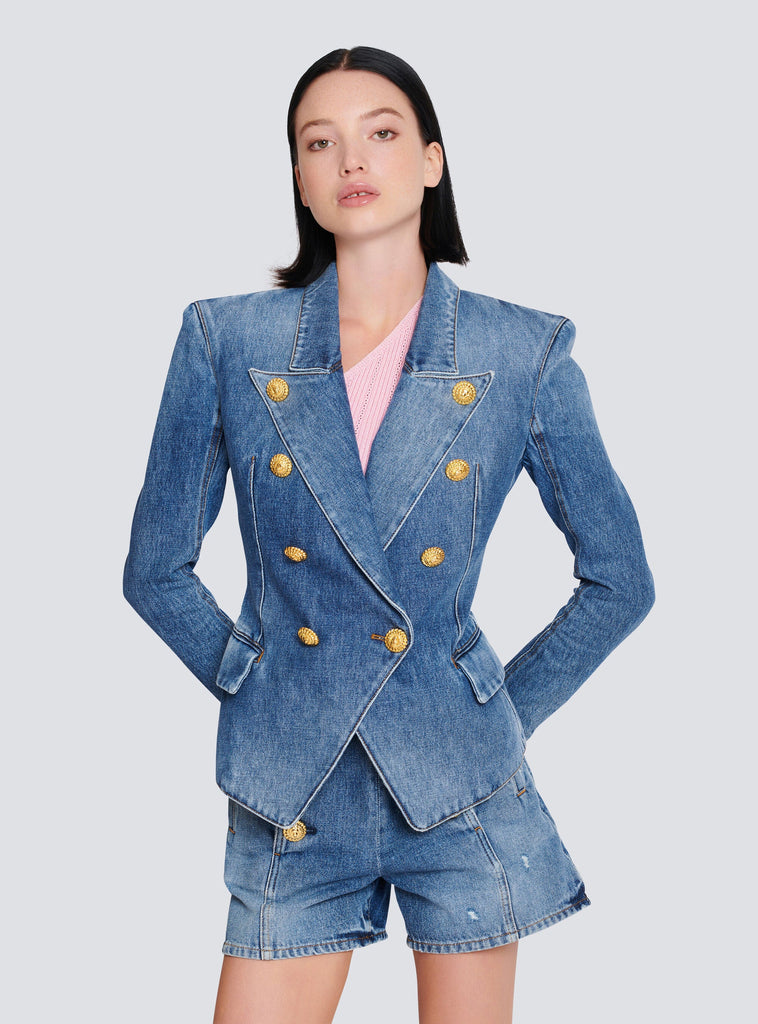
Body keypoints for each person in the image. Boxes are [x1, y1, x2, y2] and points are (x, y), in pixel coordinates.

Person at [123, 45, 655, 1024]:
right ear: (299, 179)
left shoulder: (519, 349)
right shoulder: (226, 338)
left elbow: (620, 578)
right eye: (318, 142)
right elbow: (155, 569)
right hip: (293, 782)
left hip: (457, 783)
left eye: (380, 132)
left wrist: (494, 709)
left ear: (431, 160)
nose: (350, 160)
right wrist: (255, 677)